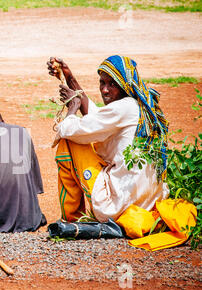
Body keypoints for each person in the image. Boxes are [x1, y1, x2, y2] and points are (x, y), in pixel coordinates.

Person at [46, 55, 169, 223]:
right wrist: (69, 77)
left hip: (119, 207)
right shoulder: (138, 106)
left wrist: (72, 108)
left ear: (125, 86)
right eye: (102, 83)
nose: (105, 89)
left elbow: (73, 130)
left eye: (112, 84)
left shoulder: (123, 108)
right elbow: (97, 117)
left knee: (67, 142)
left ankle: (72, 219)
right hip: (148, 205)